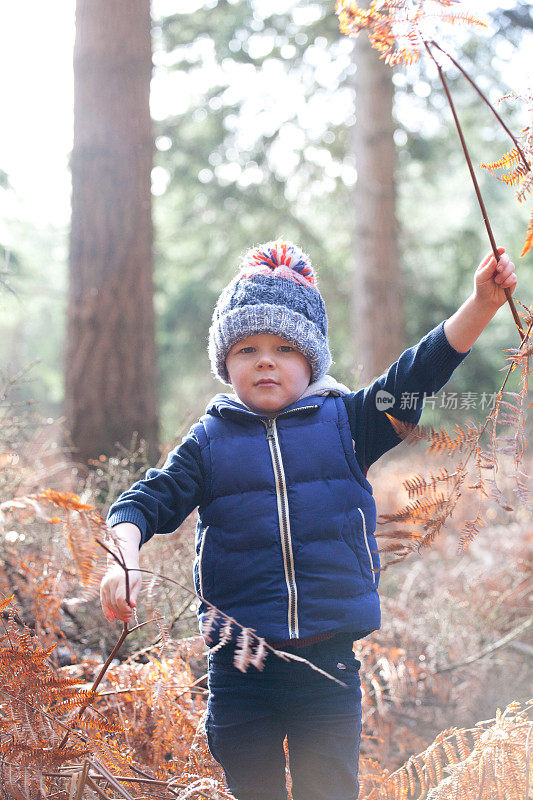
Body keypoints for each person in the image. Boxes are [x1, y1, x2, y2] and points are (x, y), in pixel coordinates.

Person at [100, 241, 517, 800]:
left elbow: (419, 372)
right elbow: (142, 502)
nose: (265, 359)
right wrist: (123, 558)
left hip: (327, 664)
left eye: (284, 347)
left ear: (312, 359)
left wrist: (483, 304)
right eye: (247, 347)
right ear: (226, 362)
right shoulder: (208, 444)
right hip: (240, 666)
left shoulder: (350, 423)